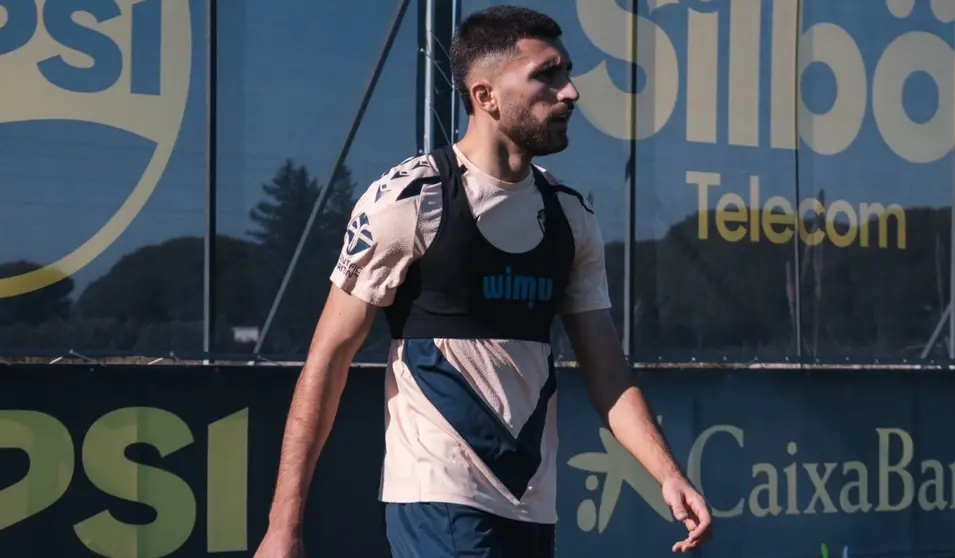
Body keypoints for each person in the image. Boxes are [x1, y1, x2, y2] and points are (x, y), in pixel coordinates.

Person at [254, 5, 713, 557]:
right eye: (547, 75)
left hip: (531, 504)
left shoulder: (571, 217)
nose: (570, 92)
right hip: (440, 498)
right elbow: (328, 359)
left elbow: (607, 371)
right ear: (485, 96)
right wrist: (285, 526)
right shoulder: (409, 201)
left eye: (566, 72)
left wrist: (666, 473)